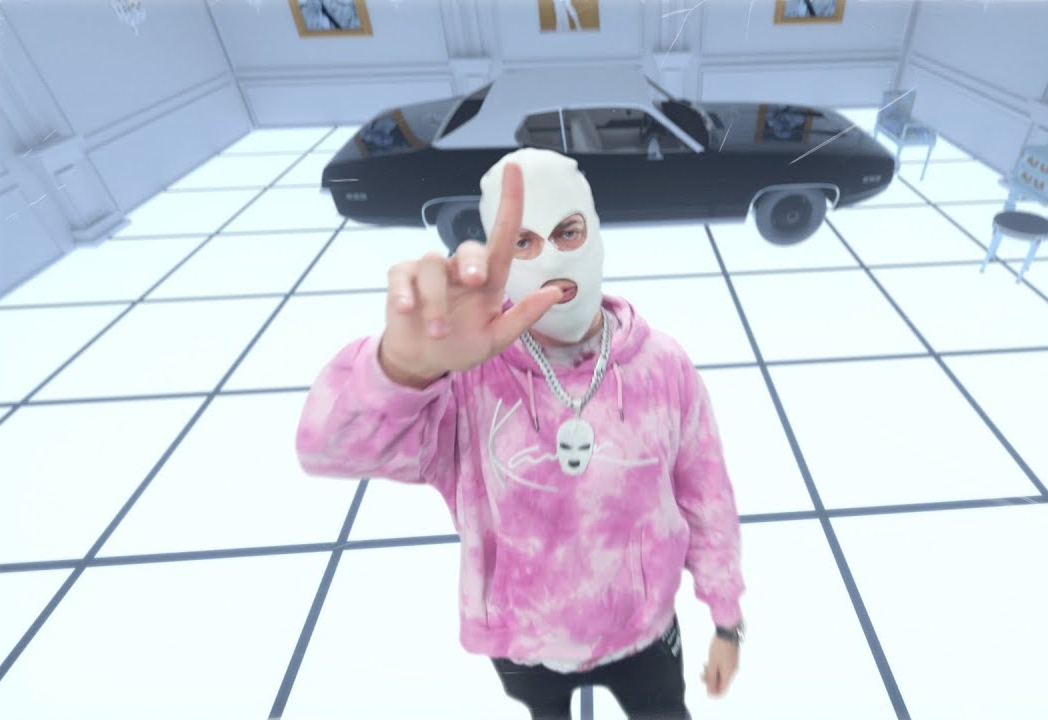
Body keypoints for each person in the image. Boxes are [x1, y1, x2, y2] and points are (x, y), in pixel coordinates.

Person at [296, 147, 745, 720]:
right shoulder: (466, 378)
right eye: (523, 243)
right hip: (523, 645)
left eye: (568, 232)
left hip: (646, 630)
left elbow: (707, 498)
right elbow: (328, 450)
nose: (551, 257)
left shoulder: (663, 366)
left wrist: (727, 621)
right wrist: (403, 370)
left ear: (596, 233)